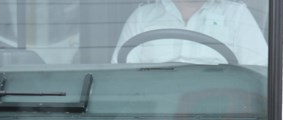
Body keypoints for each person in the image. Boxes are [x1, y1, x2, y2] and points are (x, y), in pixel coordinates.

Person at [112, 0, 267, 66]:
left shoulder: (237, 14)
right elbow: (120, 75)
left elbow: (259, 74)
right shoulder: (142, 16)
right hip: (153, 115)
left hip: (220, 115)